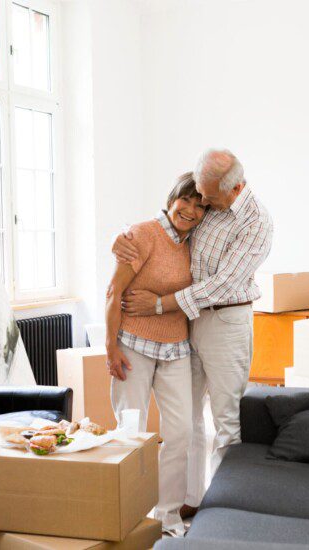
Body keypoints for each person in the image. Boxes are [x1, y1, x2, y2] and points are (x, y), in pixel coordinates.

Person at [113, 149, 273, 519]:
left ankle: (223, 511)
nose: (201, 203)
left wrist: (158, 304)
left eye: (207, 197)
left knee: (225, 419)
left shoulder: (256, 221)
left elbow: (221, 285)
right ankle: (191, 499)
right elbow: (167, 224)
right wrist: (120, 239)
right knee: (187, 419)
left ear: (232, 189)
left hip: (225, 322)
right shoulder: (207, 204)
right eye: (198, 194)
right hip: (189, 322)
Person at [106, 172, 207, 536]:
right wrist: (110, 347)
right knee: (131, 430)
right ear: (172, 198)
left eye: (200, 206)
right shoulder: (143, 234)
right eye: (186, 201)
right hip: (133, 344)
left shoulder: (194, 242)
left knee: (179, 431)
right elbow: (112, 292)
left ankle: (166, 516)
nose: (191, 211)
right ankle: (128, 514)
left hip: (176, 347)